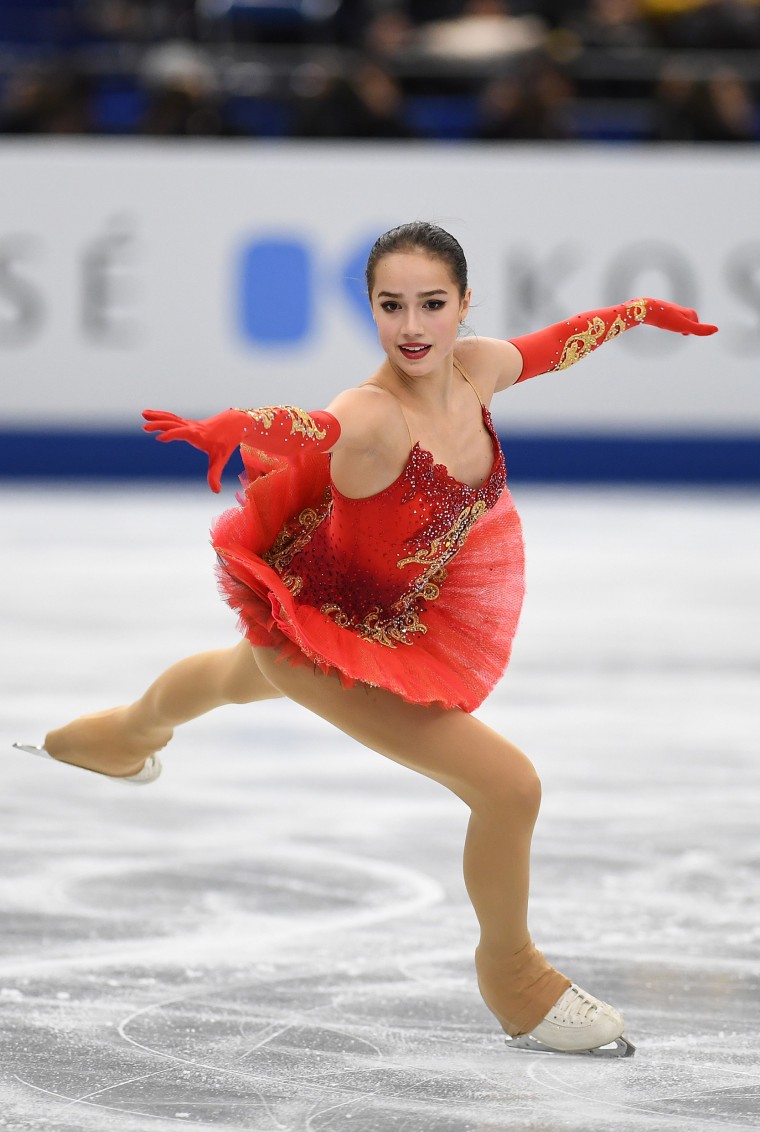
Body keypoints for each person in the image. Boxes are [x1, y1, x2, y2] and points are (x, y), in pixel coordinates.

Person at [15, 222, 717, 1056]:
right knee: (510, 788)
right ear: (371, 310)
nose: (412, 326)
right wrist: (231, 424)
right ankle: (514, 977)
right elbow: (312, 427)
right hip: (325, 636)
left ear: (463, 306)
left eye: (431, 304)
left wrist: (636, 311)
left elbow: (553, 344)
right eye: (392, 306)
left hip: (393, 618)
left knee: (232, 676)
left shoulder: (477, 368)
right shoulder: (372, 413)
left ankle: (120, 735)